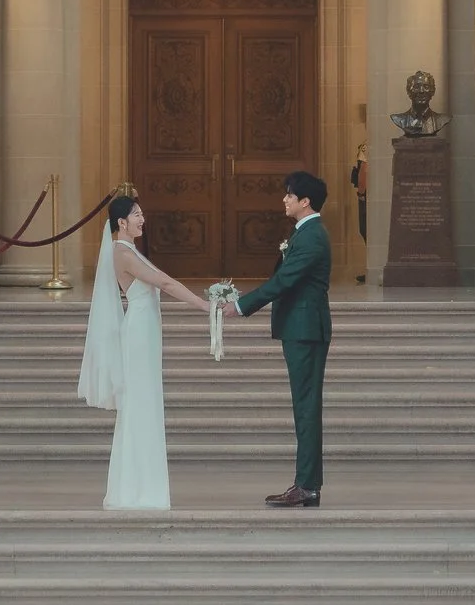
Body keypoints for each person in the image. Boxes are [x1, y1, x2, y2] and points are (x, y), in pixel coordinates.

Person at [77, 192, 217, 510]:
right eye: (137, 214)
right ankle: (138, 490)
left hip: (145, 332)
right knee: (140, 405)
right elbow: (165, 283)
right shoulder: (122, 253)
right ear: (122, 222)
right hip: (138, 335)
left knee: (145, 404)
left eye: (142, 213)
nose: (143, 218)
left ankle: (142, 485)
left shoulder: (130, 251)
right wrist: (205, 305)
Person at [224, 171, 333, 508]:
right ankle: (307, 484)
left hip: (305, 330)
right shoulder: (305, 232)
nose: (284, 200)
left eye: (290, 195)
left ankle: (307, 486)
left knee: (306, 408)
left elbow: (284, 280)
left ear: (306, 201)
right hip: (300, 328)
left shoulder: (312, 235)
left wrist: (241, 306)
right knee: (304, 406)